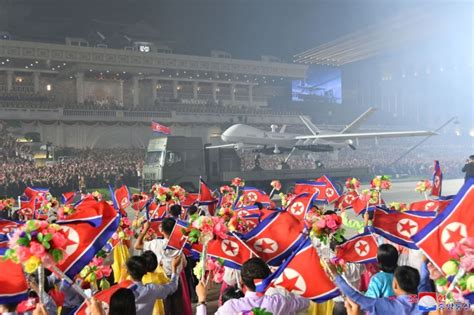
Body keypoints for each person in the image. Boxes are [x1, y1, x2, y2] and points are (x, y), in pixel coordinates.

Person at [196, 257, 309, 315]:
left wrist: (201, 300)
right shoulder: (278, 302)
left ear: (241, 281)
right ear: (268, 280)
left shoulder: (230, 307)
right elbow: (305, 302)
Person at [326, 263, 430, 315]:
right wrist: (424, 263)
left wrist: (336, 275)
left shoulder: (383, 304)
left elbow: (355, 296)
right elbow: (424, 282)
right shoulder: (428, 300)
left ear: (395, 285)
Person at [141, 250, 168, 315]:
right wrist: (161, 268)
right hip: (157, 307)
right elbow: (167, 282)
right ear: (156, 263)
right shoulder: (159, 276)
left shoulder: (141, 278)